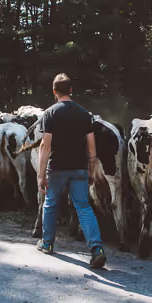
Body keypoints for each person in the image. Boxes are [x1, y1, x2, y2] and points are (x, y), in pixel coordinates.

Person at [36, 73, 106, 268]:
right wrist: (92, 169)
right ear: (71, 90)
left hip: (57, 168)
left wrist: (40, 174)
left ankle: (47, 243)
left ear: (54, 91)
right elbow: (91, 147)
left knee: (50, 203)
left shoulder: (49, 113)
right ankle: (96, 249)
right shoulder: (84, 114)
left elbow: (45, 146)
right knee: (83, 207)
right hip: (79, 168)